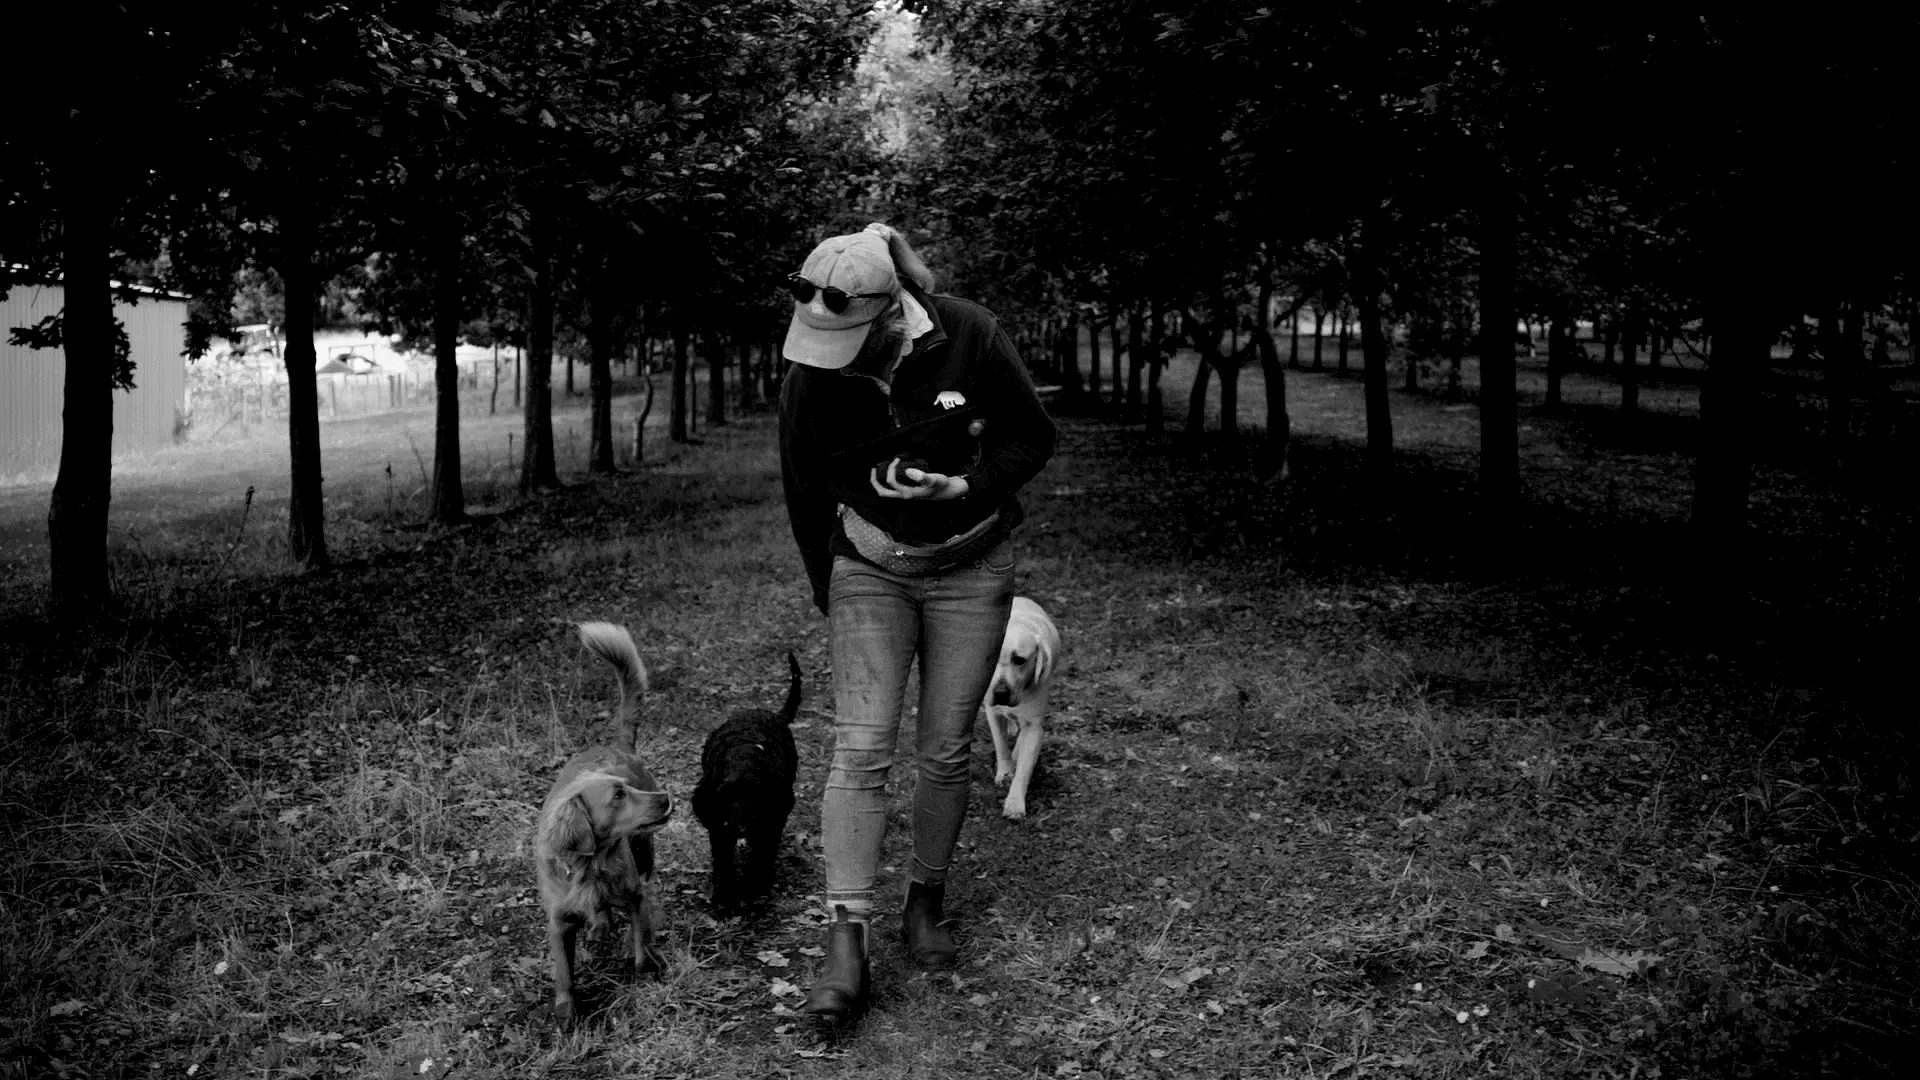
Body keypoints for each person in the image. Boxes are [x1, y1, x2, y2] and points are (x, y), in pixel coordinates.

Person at [778, 224, 1055, 1029]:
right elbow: (803, 485)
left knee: (946, 746)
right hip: (869, 569)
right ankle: (846, 935)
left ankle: (924, 899)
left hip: (971, 568)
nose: (834, 362)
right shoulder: (812, 372)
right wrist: (831, 588)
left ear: (894, 318)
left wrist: (965, 487)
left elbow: (1031, 436)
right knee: (861, 746)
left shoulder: (969, 333)